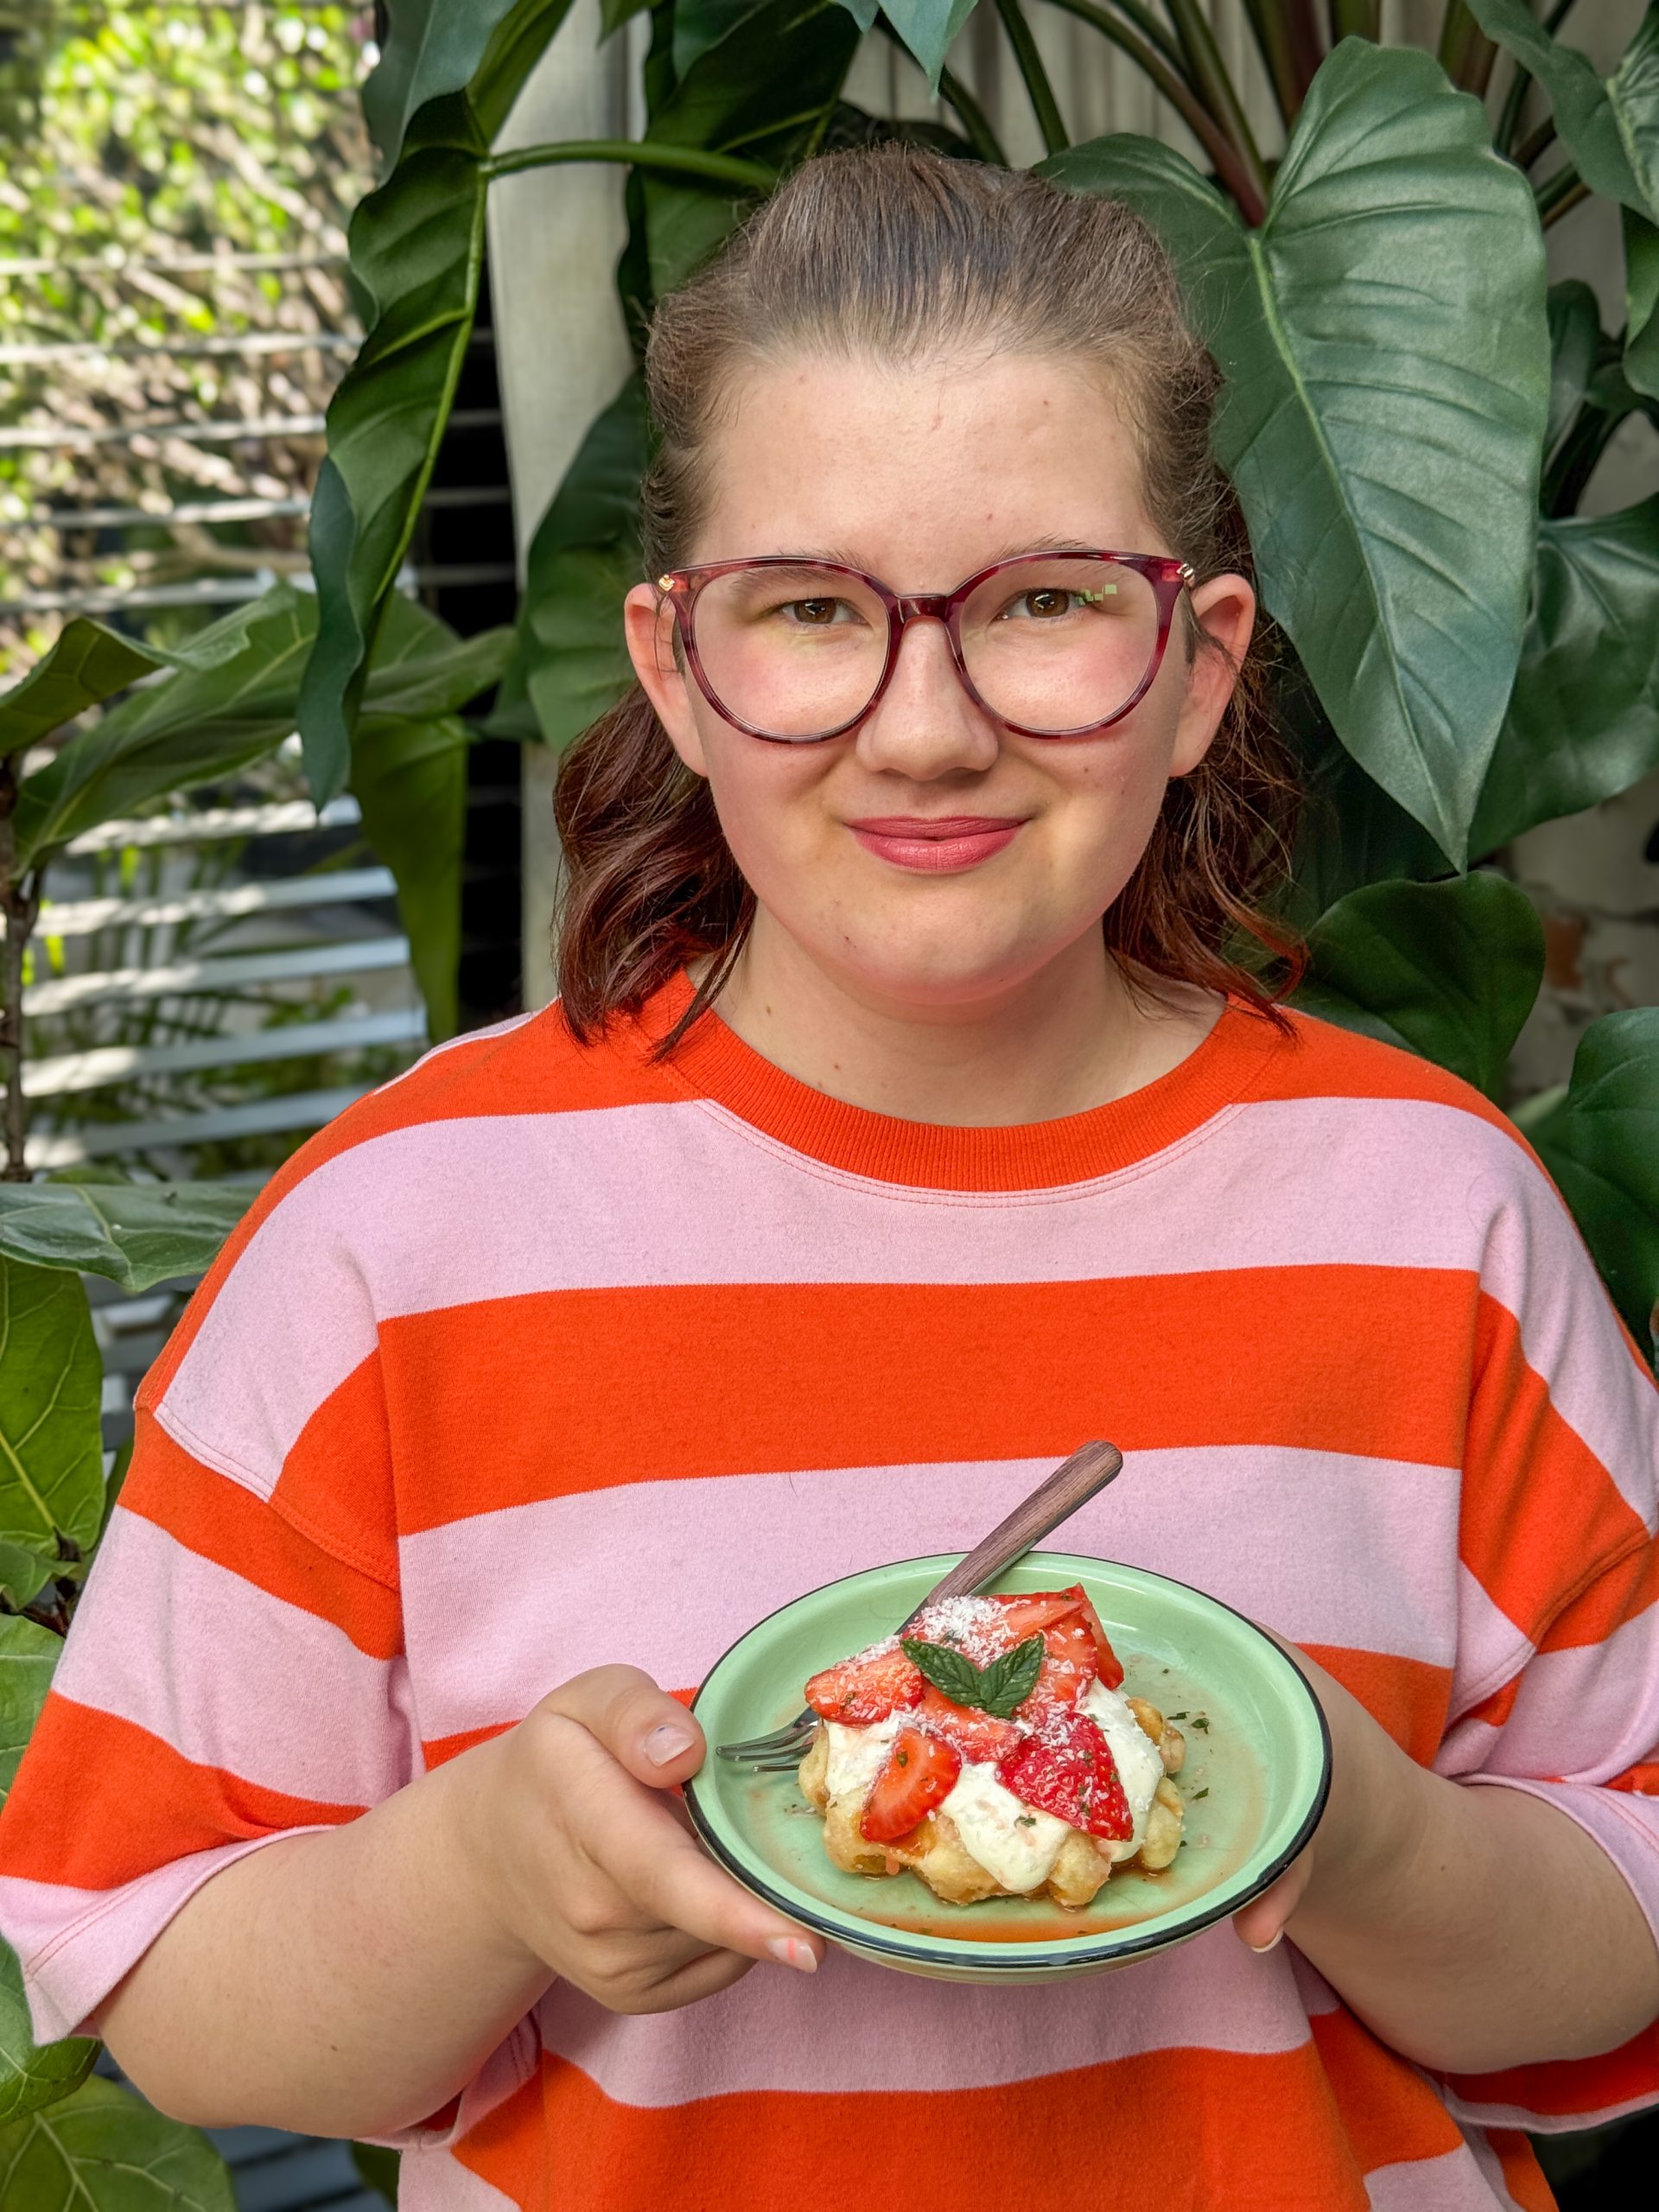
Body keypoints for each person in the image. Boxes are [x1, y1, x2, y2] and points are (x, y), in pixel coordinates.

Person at [2, 145, 1656, 2212]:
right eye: (813, 613)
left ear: (1205, 663)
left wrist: (1371, 1831)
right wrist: (482, 1869)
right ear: (685, 669)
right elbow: (161, 1973)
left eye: (1045, 600)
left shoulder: (1442, 1219)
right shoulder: (395, 1238)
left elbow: (1621, 1953)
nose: (930, 726)